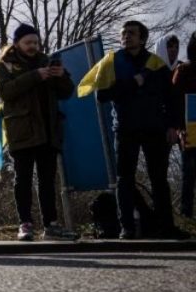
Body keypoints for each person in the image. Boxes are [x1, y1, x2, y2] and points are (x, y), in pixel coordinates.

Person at [81, 20, 182, 239]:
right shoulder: (111, 62)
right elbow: (102, 95)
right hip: (125, 130)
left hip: (155, 129)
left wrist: (174, 126)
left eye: (132, 33)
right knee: (124, 180)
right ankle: (125, 228)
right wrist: (132, 83)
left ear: (142, 38)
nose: (127, 36)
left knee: (159, 180)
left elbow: (171, 98)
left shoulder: (156, 64)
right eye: (124, 33)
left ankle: (167, 228)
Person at [0, 24, 76, 241]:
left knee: (48, 180)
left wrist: (60, 76)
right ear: (17, 43)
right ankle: (25, 224)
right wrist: (34, 76)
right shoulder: (5, 66)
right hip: (21, 131)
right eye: (28, 42)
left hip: (48, 131)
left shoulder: (47, 61)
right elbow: (4, 91)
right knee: (23, 180)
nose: (33, 46)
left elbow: (68, 92)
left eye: (36, 43)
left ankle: (51, 225)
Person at [171, 31, 196, 219]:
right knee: (189, 172)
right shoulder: (183, 70)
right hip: (190, 129)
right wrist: (178, 128)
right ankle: (187, 216)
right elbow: (175, 101)